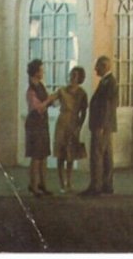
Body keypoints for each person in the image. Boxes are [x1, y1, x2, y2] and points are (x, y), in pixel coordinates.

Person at [80, 56, 118, 196]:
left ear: (105, 66)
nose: (95, 69)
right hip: (105, 124)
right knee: (106, 154)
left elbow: (106, 106)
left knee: (97, 154)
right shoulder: (106, 81)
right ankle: (106, 184)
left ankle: (96, 185)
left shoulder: (109, 82)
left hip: (101, 125)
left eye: (98, 66)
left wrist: (101, 125)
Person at [51, 66, 88, 193]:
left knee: (70, 154)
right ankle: (62, 183)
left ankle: (69, 181)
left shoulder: (82, 93)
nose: (72, 78)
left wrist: (79, 126)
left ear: (80, 78)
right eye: (71, 75)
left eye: (75, 76)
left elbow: (83, 112)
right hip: (62, 123)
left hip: (73, 124)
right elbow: (52, 99)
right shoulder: (62, 91)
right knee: (60, 155)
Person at [25, 59, 56, 196]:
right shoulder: (31, 88)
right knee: (36, 155)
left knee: (43, 154)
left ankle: (42, 184)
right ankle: (34, 185)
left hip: (42, 123)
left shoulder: (41, 86)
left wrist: (52, 99)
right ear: (36, 72)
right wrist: (49, 100)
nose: (43, 72)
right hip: (35, 123)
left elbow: (48, 101)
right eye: (41, 70)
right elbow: (37, 107)